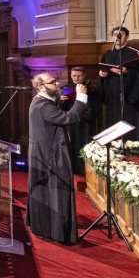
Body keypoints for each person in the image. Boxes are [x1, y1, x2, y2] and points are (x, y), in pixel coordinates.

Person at [27, 73, 90, 244]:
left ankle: (46, 227)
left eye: (56, 81)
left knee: (48, 193)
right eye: (52, 82)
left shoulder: (41, 101)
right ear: (41, 87)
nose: (57, 84)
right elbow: (70, 118)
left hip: (43, 153)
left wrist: (60, 101)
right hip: (50, 156)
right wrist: (81, 98)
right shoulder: (43, 106)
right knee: (57, 192)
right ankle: (58, 232)